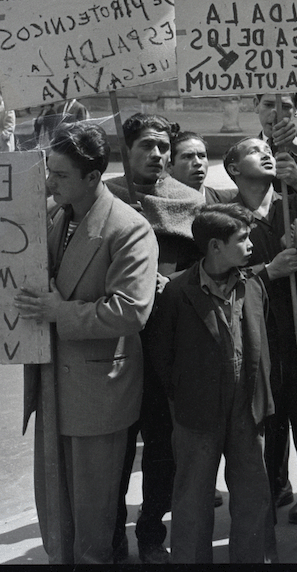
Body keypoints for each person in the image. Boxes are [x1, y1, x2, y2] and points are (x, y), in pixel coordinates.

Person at [17, 123, 157, 564]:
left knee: (92, 519)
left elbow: (130, 311)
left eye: (58, 174)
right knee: (58, 508)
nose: (49, 182)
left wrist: (60, 313)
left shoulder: (128, 229)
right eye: (49, 172)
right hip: (53, 383)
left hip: (98, 391)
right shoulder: (59, 216)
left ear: (93, 177)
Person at [225, 136, 297, 563]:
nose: (264, 153)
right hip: (258, 347)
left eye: (266, 148)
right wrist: (267, 271)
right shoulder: (225, 214)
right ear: (234, 169)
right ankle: (261, 534)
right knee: (263, 446)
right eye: (251, 150)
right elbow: (219, 278)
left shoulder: (291, 201)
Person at [147, 204, 274, 564]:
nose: (250, 245)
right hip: (196, 412)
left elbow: (264, 342)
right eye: (242, 238)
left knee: (252, 495)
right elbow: (163, 354)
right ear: (215, 246)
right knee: (192, 498)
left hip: (247, 409)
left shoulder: (253, 285)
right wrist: (184, 395)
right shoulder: (176, 291)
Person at [107, 113, 205, 564]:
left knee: (162, 447)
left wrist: (177, 282)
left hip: (168, 346)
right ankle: (109, 534)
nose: (157, 155)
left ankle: (150, 530)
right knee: (116, 448)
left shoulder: (189, 200)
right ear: (126, 150)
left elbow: (209, 267)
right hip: (116, 344)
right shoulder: (106, 197)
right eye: (146, 146)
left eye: (164, 147)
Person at [168, 129, 234, 203]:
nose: (198, 162)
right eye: (188, 157)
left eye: (202, 156)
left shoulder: (227, 201)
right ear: (169, 167)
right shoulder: (161, 203)